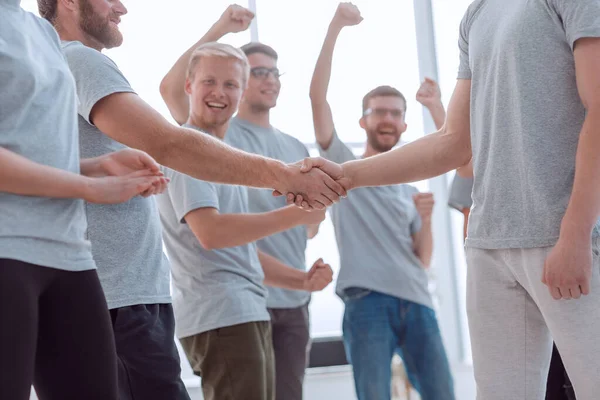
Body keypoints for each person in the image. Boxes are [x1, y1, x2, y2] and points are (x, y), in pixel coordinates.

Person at [291, 0, 600, 398]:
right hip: (489, 248)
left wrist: (576, 233)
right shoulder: (477, 14)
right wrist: (346, 176)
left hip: (564, 239)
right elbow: (452, 142)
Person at [37, 0, 345, 399]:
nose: (123, 7)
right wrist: (287, 181)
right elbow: (171, 147)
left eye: (233, 84)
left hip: (119, 297)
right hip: (124, 301)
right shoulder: (81, 61)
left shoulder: (53, 65)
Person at [0, 2, 167, 399]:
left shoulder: (39, 33)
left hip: (69, 255)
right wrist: (88, 188)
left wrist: (94, 167)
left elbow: (30, 152)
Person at [160, 6, 323, 399]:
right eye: (209, 82)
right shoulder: (191, 149)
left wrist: (299, 281)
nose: (219, 93)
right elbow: (212, 234)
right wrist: (295, 213)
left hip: (244, 309)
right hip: (221, 312)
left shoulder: (221, 155)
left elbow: (241, 252)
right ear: (189, 87)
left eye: (231, 85)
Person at [306, 3, 455, 399]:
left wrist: (426, 220)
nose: (387, 119)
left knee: (443, 393)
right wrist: (336, 26)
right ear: (363, 122)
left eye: (395, 113)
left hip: (418, 302)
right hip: (366, 302)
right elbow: (317, 97)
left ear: (405, 123)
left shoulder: (408, 189)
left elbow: (421, 260)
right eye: (378, 112)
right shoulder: (343, 167)